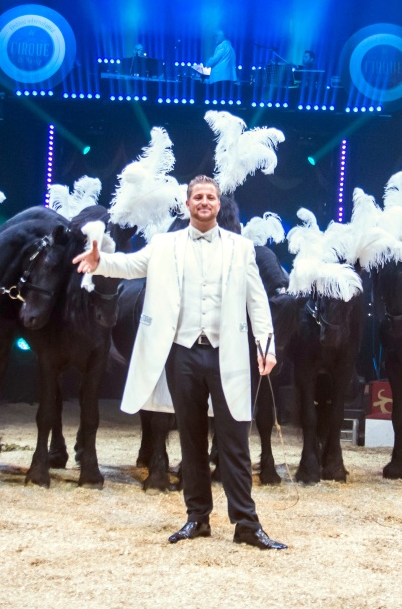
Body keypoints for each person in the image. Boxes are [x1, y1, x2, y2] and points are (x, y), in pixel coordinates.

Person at [75, 176, 286, 550]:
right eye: (198, 197)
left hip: (228, 353)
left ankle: (247, 524)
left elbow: (257, 301)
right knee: (191, 438)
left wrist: (265, 346)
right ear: (188, 204)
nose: (204, 202)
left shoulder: (241, 248)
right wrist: (100, 262)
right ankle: (197, 518)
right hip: (182, 353)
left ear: (218, 204)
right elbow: (130, 265)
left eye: (210, 197)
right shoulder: (164, 244)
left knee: (234, 439)